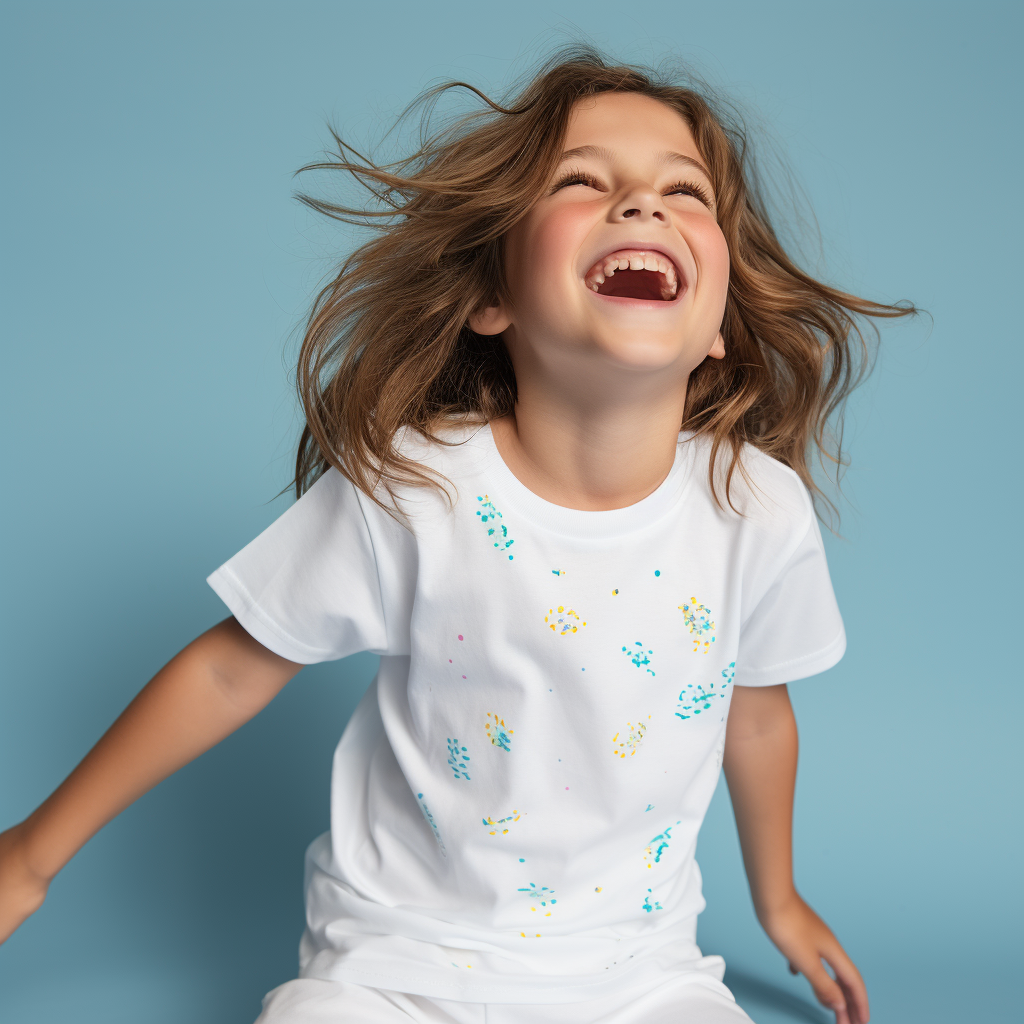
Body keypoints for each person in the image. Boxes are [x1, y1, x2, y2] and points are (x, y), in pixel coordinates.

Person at [0, 46, 914, 1024]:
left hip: (640, 978)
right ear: (493, 298)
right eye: (581, 180)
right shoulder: (416, 487)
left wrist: (777, 900)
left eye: (682, 190)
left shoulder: (754, 507)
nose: (642, 206)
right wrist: (27, 856)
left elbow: (758, 711)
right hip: (395, 970)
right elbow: (229, 671)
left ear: (719, 323)